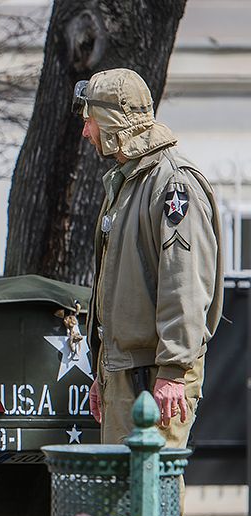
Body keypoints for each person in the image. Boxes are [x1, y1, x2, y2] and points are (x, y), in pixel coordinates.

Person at [75, 68, 222, 448]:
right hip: (127, 372)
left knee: (155, 497)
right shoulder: (128, 183)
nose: (86, 132)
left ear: (112, 123)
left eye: (89, 120)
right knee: (125, 499)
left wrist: (173, 371)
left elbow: (185, 283)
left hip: (156, 375)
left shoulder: (173, 185)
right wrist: (103, 372)